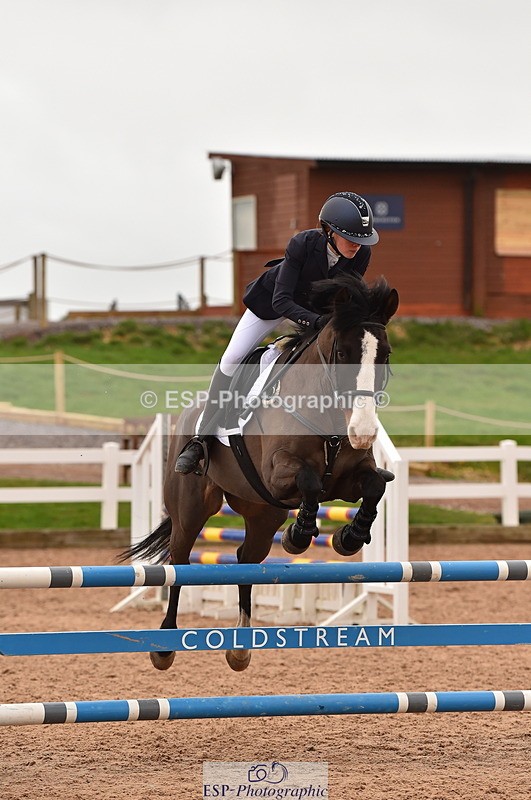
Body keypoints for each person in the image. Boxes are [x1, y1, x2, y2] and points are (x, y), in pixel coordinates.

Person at [175, 191, 380, 474]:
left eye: (362, 239)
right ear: (328, 231)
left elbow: (346, 294)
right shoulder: (302, 244)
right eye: (350, 237)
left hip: (317, 310)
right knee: (232, 359)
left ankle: (349, 450)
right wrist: (316, 322)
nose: (357, 245)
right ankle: (201, 439)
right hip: (272, 303)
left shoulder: (361, 254)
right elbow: (281, 301)